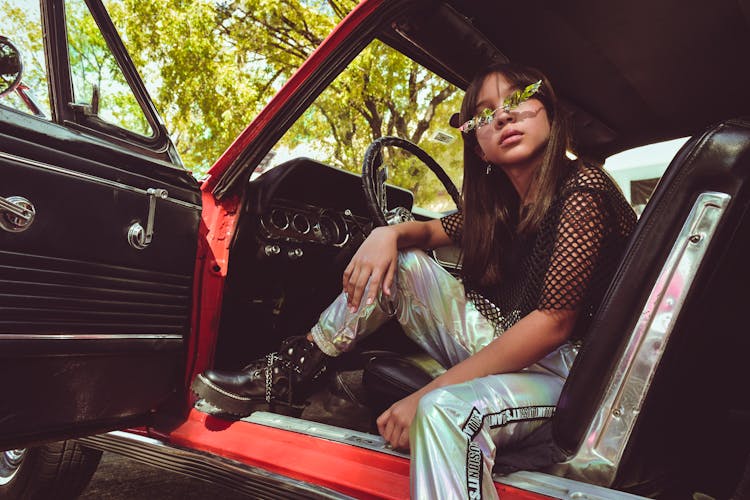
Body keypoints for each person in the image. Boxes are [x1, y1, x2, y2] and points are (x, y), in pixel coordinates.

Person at [192, 62, 637, 499]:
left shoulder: (583, 188)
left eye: (519, 98)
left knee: (443, 411)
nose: (502, 115)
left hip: (572, 375)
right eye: (483, 113)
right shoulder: (499, 210)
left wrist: (427, 392)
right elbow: (426, 232)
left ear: (551, 113)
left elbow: (553, 323)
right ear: (478, 148)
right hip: (513, 346)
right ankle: (294, 370)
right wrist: (387, 233)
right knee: (401, 262)